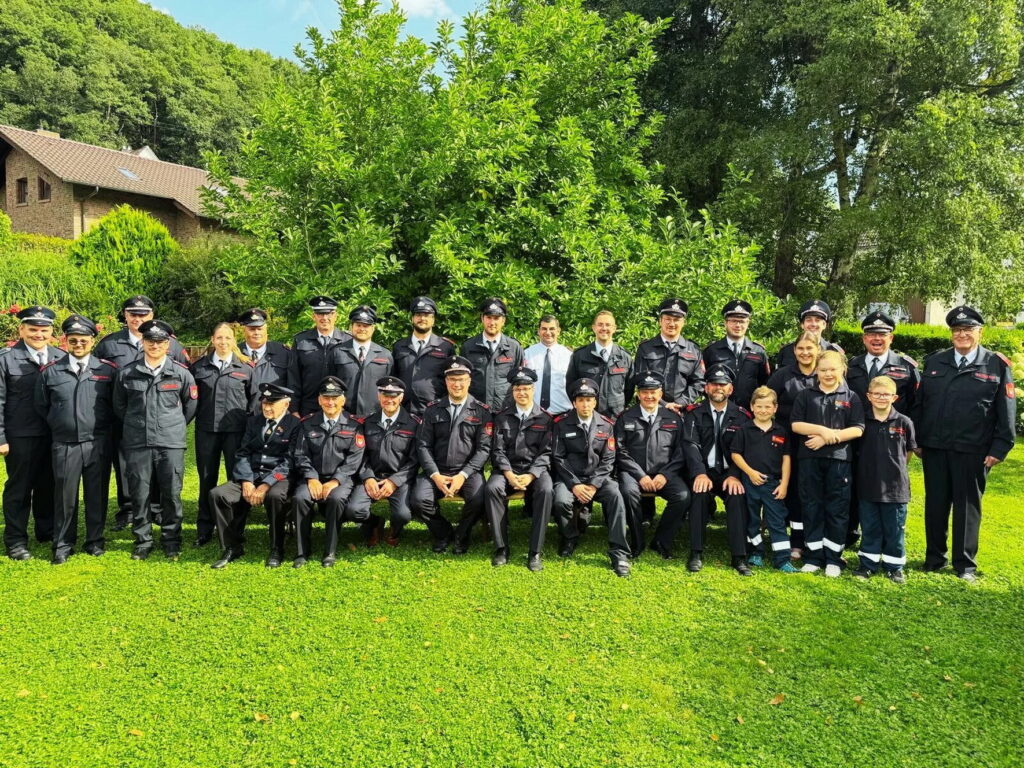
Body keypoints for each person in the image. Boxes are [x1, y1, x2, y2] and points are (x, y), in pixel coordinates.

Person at [913, 306, 1016, 582]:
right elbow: (921, 405)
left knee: (967, 507)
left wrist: (1000, 448)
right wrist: (918, 440)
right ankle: (934, 558)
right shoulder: (935, 361)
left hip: (974, 449)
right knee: (936, 505)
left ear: (980, 332)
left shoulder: (995, 364)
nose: (962, 334)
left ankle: (964, 564)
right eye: (957, 330)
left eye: (968, 329)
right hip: (935, 447)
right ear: (951, 334)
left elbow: (1006, 411)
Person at [94, 295, 189, 531]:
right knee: (127, 468)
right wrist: (128, 417)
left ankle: (156, 508)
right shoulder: (109, 344)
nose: (138, 318)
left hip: (164, 423)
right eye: (133, 314)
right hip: (127, 421)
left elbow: (186, 389)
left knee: (160, 466)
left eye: (143, 314)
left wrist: (173, 420)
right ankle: (128, 510)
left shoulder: (173, 345)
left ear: (152, 315)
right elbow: (103, 382)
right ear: (125, 315)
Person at [112, 320, 198, 560]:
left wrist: (171, 426)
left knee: (171, 492)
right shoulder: (127, 373)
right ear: (143, 342)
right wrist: (138, 425)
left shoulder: (181, 373)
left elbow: (190, 407)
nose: (155, 346)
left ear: (168, 344)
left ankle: (171, 539)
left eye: (160, 342)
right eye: (150, 341)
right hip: (137, 441)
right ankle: (143, 539)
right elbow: (119, 406)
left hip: (170, 442)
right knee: (139, 493)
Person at [35, 314, 114, 564]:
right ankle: (62, 544)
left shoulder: (107, 370)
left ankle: (95, 541)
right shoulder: (51, 371)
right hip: (65, 444)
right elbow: (42, 407)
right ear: (65, 341)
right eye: (73, 340)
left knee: (96, 495)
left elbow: (116, 407)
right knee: (64, 497)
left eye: (83, 340)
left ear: (92, 341)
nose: (78, 344)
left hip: (97, 443)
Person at [844, 310, 921, 547]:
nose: (876, 339)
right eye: (871, 334)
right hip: (856, 436)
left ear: (891, 338)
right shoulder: (851, 366)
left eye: (882, 334)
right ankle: (851, 533)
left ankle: (886, 536)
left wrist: (912, 440)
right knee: (854, 483)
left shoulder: (906, 367)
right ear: (864, 338)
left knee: (888, 487)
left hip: (891, 439)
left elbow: (917, 404)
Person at [208, 383, 300, 569]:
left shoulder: (295, 425)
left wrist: (265, 485)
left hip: (279, 477)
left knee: (275, 496)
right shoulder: (254, 422)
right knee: (218, 495)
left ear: (286, 404)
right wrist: (247, 481)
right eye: (264, 403)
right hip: (252, 474)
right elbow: (243, 452)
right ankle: (232, 546)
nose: (266, 408)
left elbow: (289, 461)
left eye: (272, 404)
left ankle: (277, 548)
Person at [790, 350, 865, 577]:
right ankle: (814, 556)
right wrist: (822, 430)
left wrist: (830, 437)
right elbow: (796, 425)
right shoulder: (805, 395)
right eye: (823, 370)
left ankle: (833, 558)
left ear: (842, 369)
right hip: (809, 460)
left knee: (837, 508)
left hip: (839, 460)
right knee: (811, 506)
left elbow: (858, 428)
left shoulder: (851, 397)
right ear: (816, 371)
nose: (828, 374)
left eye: (833, 369)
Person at [0, 305, 66, 559]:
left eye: (44, 330)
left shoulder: (60, 356)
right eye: (33, 329)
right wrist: (1, 437)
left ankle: (46, 530)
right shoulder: (6, 359)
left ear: (51, 332)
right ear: (21, 330)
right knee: (19, 488)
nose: (39, 334)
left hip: (53, 434)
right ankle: (16, 540)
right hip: (21, 435)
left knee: (49, 484)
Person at [410, 356, 493, 553]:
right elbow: (423, 445)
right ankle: (443, 533)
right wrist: (435, 475)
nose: (457, 384)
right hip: (437, 470)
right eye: (452, 379)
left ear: (469, 381)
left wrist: (462, 475)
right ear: (446, 381)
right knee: (418, 500)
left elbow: (484, 449)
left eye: (461, 379)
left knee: (479, 499)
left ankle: (462, 535)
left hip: (467, 471)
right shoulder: (432, 410)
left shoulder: (481, 411)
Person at [551, 378, 631, 577]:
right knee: (561, 501)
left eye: (589, 400)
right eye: (581, 400)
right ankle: (570, 537)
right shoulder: (562, 424)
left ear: (595, 402)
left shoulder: (606, 425)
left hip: (598, 479)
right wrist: (575, 485)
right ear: (574, 403)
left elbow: (609, 459)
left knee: (615, 496)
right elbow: (558, 457)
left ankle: (619, 552)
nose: (585, 404)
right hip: (571, 478)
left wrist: (594, 485)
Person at [191, 322, 257, 547]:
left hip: (235, 432)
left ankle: (236, 527)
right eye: (219, 337)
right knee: (206, 479)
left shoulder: (245, 368)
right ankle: (204, 528)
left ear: (234, 340)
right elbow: (191, 400)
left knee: (236, 480)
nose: (223, 342)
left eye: (228, 338)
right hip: (207, 431)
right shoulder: (199, 368)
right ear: (212, 340)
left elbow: (253, 403)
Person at [615, 372, 692, 561]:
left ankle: (661, 541)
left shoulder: (673, 418)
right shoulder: (626, 417)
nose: (649, 396)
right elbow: (620, 450)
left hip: (664, 473)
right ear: (638, 394)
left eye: (653, 392)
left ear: (660, 394)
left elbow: (681, 451)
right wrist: (640, 475)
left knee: (682, 496)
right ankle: (637, 541)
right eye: (644, 392)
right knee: (628, 493)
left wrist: (665, 474)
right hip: (634, 473)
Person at [291, 376, 368, 567]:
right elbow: (300, 454)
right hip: (313, 478)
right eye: (326, 398)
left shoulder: (354, 424)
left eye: (335, 398)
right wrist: (311, 478)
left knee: (336, 498)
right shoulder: (307, 423)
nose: (330, 402)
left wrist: (335, 481)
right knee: (300, 498)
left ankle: (330, 551)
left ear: (343, 400)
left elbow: (354, 459)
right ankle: (302, 551)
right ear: (319, 400)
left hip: (341, 479)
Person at [483, 367, 554, 570]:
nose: (522, 393)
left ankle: (535, 551)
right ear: (512, 392)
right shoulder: (502, 417)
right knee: (492, 488)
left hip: (535, 470)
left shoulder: (546, 418)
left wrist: (531, 475)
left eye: (526, 388)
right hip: (507, 469)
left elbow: (547, 452)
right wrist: (508, 473)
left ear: (533, 390)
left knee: (546, 490)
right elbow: (497, 450)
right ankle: (501, 548)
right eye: (517, 389)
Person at [683, 365, 751, 574]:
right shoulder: (694, 414)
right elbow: (690, 445)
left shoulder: (742, 416)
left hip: (730, 472)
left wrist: (735, 475)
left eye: (723, 384)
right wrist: (700, 473)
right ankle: (696, 552)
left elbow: (746, 450)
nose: (718, 388)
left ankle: (739, 556)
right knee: (700, 494)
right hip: (705, 470)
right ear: (706, 388)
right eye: (714, 384)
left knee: (737, 496)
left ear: (730, 389)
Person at [852, 376, 916, 584]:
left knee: (894, 529)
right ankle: (867, 564)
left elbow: (908, 452)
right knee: (870, 527)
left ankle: (894, 567)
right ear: (869, 396)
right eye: (877, 394)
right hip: (868, 485)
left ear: (894, 397)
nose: (881, 398)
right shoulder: (861, 421)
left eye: (886, 394)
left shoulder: (904, 422)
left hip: (896, 488)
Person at [730, 387, 798, 573]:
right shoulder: (744, 429)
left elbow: (786, 459)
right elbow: (735, 454)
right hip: (750, 482)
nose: (763, 410)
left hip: (773, 485)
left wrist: (784, 484)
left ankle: (782, 559)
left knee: (777, 520)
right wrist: (750, 472)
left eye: (768, 407)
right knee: (752, 519)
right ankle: (756, 552)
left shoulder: (781, 431)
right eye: (759, 406)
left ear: (775, 408)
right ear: (752, 406)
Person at [766, 331, 822, 559]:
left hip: (818, 443)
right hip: (787, 442)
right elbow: (766, 402)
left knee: (814, 491)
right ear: (794, 350)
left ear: (818, 349)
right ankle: (795, 541)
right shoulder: (783, 375)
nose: (805, 353)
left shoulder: (826, 373)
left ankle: (815, 539)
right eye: (800, 348)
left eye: (809, 348)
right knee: (793, 492)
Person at [347, 376, 421, 547]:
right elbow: (360, 455)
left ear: (401, 397)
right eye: (385, 395)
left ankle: (394, 530)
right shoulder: (366, 423)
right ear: (379, 397)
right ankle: (374, 523)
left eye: (393, 396)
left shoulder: (414, 424)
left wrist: (394, 481)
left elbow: (415, 460)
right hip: (372, 476)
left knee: (403, 515)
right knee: (353, 511)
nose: (389, 400)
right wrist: (368, 477)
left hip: (399, 479)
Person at [634, 297, 705, 413]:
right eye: (667, 319)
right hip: (651, 409)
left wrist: (681, 402)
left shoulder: (693, 350)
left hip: (682, 411)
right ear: (660, 321)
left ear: (683, 322)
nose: (672, 324)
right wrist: (663, 404)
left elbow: (699, 382)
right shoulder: (646, 348)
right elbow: (640, 380)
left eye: (676, 320)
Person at [391, 296, 456, 415]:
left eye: (426, 315)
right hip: (403, 412)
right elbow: (393, 378)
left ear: (433, 320)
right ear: (412, 318)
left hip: (436, 412)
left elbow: (452, 379)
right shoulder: (399, 346)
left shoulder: (446, 347)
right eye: (418, 315)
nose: (422, 318)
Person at [702, 300, 771, 408]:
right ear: (725, 323)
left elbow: (765, 382)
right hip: (718, 409)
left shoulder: (758, 351)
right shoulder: (711, 350)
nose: (738, 325)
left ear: (748, 323)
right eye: (733, 321)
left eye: (742, 321)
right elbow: (702, 381)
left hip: (749, 411)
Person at [289, 296, 351, 416]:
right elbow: (293, 377)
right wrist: (294, 409)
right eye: (320, 314)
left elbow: (351, 377)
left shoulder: (348, 341)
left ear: (335, 316)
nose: (324, 318)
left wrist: (346, 406)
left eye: (328, 314)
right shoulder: (301, 340)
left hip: (339, 407)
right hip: (308, 407)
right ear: (314, 316)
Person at [566, 310, 633, 419]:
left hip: (615, 417)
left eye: (608, 325)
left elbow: (629, 389)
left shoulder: (625, 357)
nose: (604, 328)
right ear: (594, 328)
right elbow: (571, 386)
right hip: (588, 416)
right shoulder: (580, 355)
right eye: (600, 324)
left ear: (614, 328)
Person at [329, 305, 394, 417]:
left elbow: (391, 387)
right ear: (351, 327)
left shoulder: (385, 355)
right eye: (358, 325)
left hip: (375, 416)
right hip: (343, 415)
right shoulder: (337, 352)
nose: (362, 329)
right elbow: (330, 383)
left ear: (373, 328)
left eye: (366, 326)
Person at [461, 297, 524, 411]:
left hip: (505, 411)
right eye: (489, 317)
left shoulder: (514, 347)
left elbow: (519, 381)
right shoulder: (468, 346)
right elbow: (462, 379)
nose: (492, 322)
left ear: (503, 321)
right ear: (482, 318)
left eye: (496, 318)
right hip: (475, 410)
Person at [236, 308, 298, 406]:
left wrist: (293, 409)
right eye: (252, 329)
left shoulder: (283, 353)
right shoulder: (235, 353)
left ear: (266, 330)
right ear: (244, 330)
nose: (256, 333)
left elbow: (293, 384)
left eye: (260, 329)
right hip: (240, 412)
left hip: (274, 410)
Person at [774, 300, 843, 370]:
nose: (813, 324)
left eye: (817, 320)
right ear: (802, 325)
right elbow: (779, 376)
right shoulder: (787, 351)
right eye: (809, 320)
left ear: (824, 325)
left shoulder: (833, 351)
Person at [523, 315, 572, 415]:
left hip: (564, 415)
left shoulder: (569, 356)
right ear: (538, 331)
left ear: (558, 331)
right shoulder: (527, 354)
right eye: (544, 329)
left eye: (552, 329)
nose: (548, 332)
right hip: (534, 415)